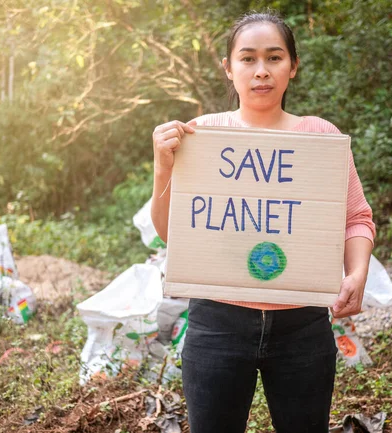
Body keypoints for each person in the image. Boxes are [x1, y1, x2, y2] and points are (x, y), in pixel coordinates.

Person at [150, 11, 375, 433]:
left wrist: (358, 271)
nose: (261, 71)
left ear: (293, 66)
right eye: (248, 59)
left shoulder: (320, 137)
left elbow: (356, 218)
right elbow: (172, 234)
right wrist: (163, 167)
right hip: (216, 322)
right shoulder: (201, 137)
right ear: (228, 68)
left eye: (274, 58)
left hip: (303, 325)